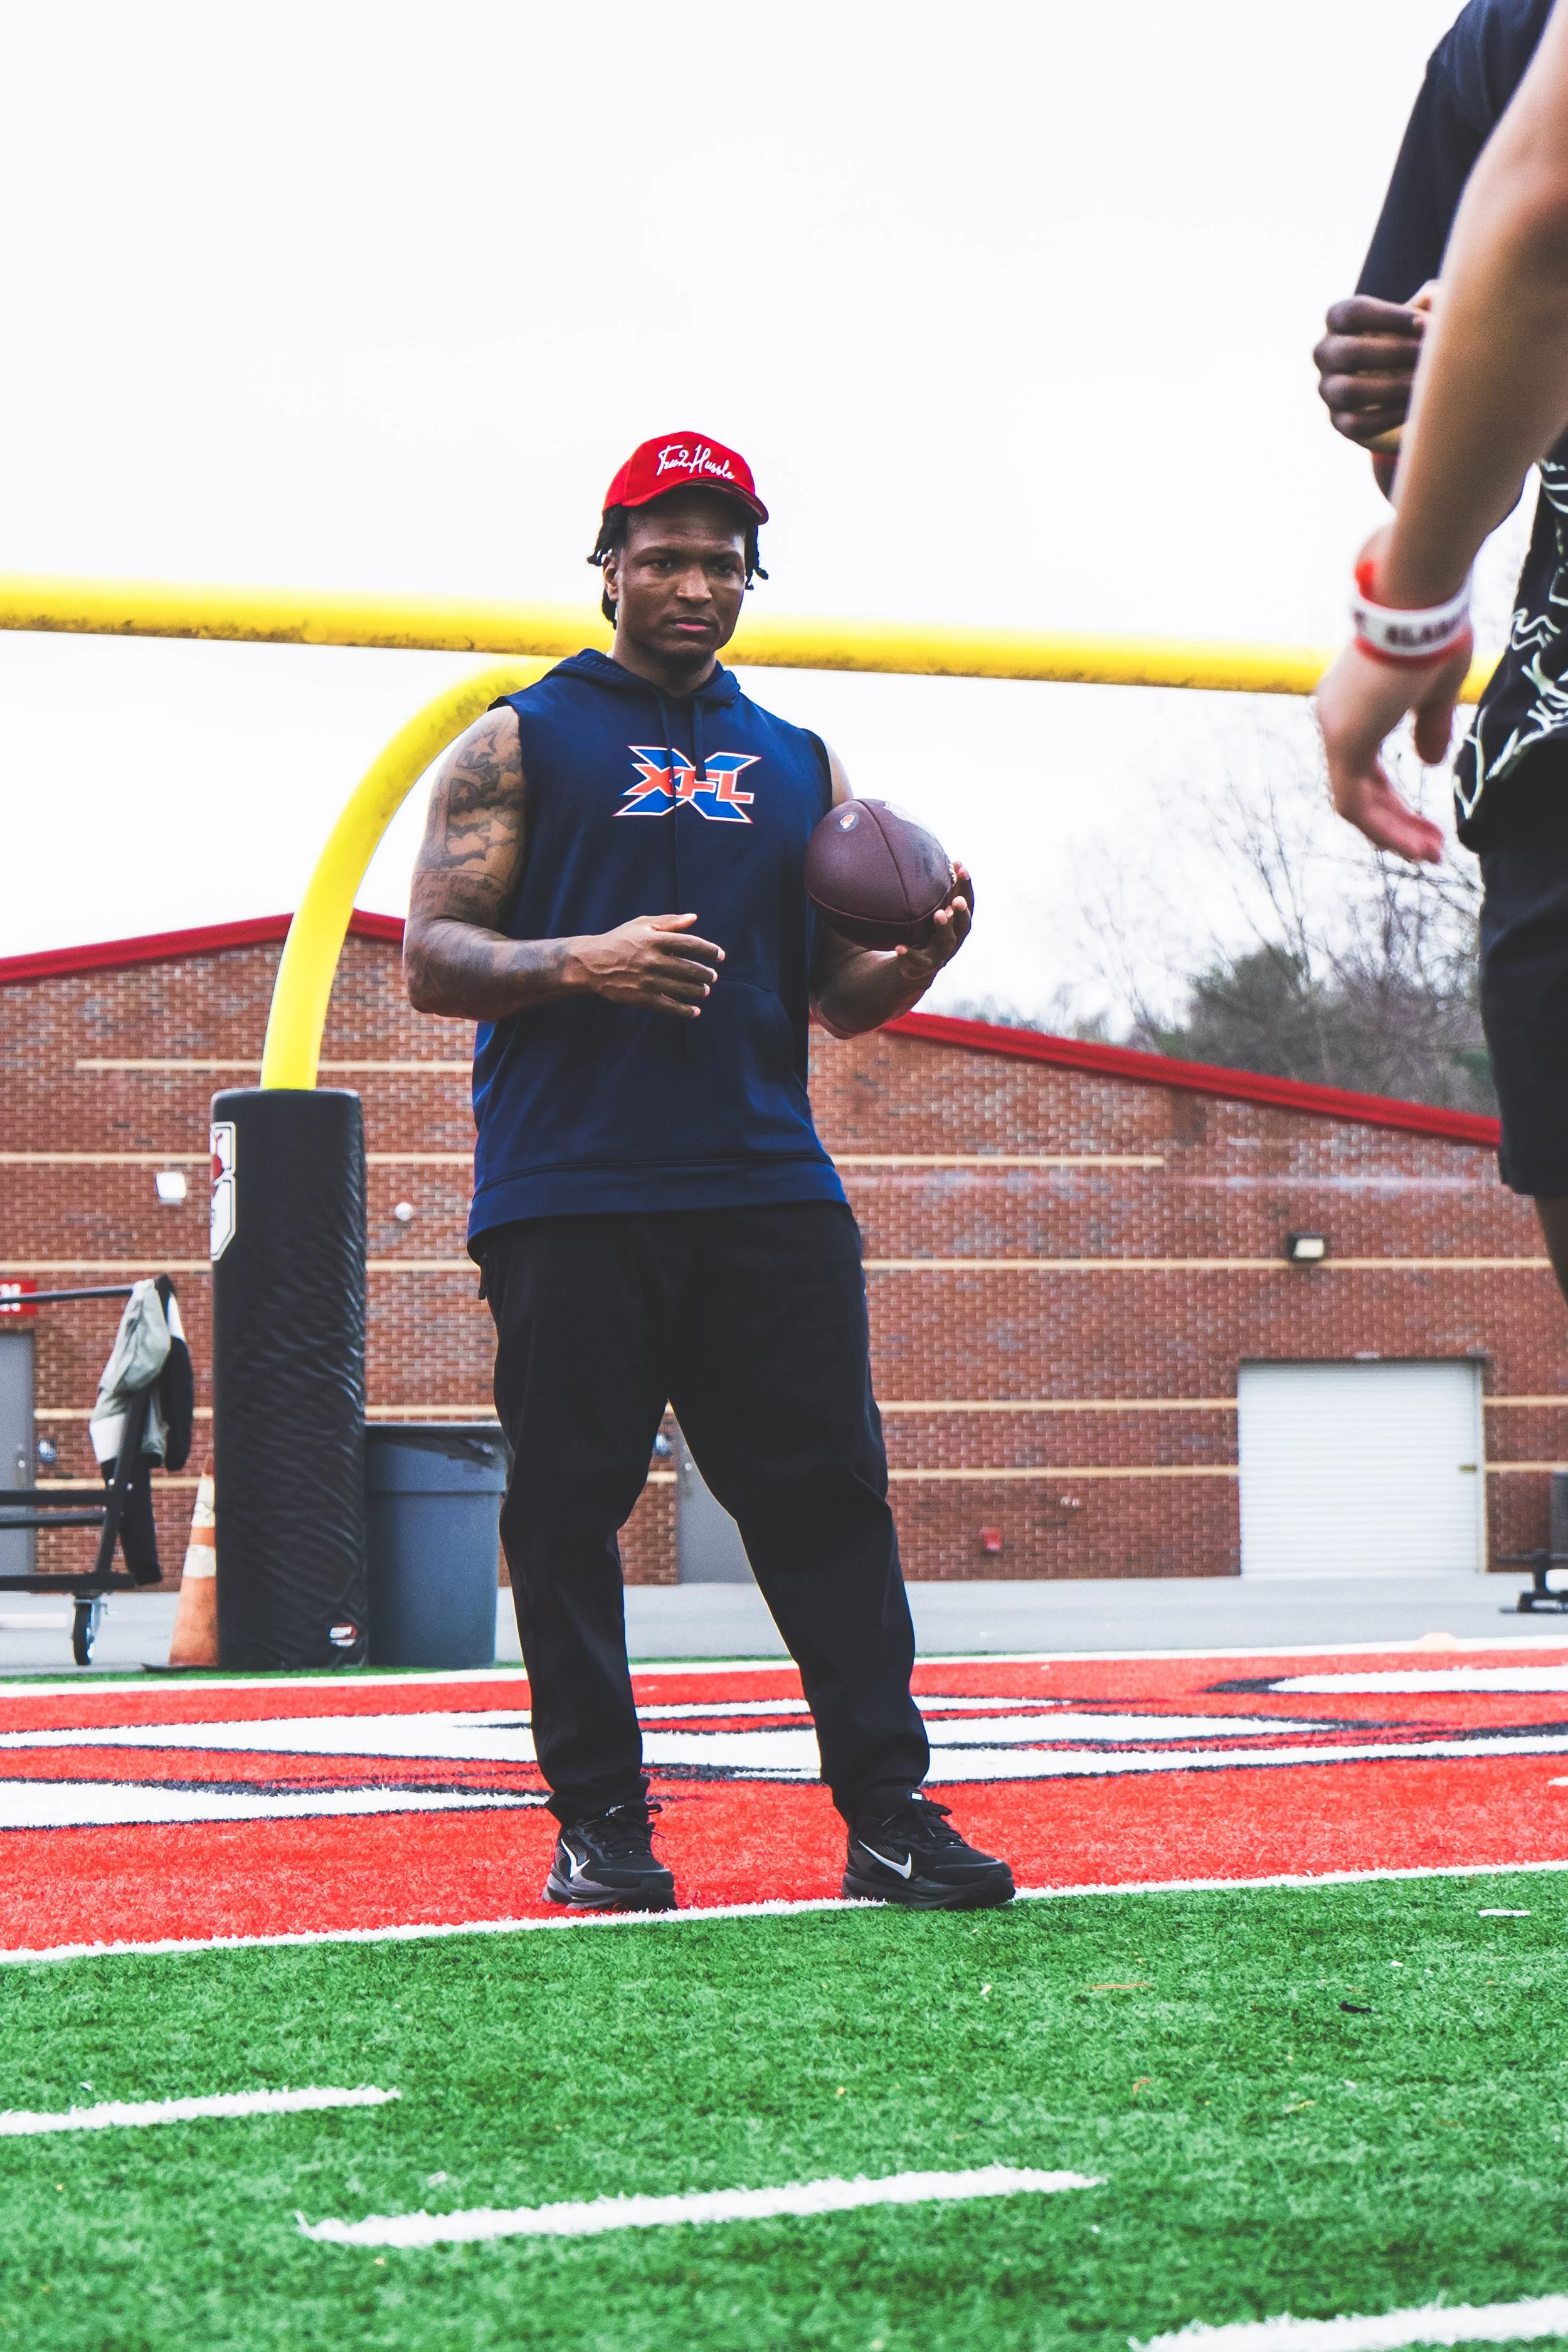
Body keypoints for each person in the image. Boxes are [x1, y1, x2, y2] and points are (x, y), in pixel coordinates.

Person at [404, 431, 1015, 1915]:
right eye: (664, 555)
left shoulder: (797, 761)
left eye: (720, 560)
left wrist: (918, 956)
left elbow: (833, 998)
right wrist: (584, 959)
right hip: (570, 1187)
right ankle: (603, 1823)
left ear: (751, 577)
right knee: (566, 1510)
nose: (693, 582)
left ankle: (886, 1813)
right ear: (606, 565)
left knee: (830, 1504)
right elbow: (431, 957)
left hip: (763, 1184)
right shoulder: (517, 737)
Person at [1313, 0, 1568, 1296]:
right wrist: (1407, 398)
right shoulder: (1495, 42)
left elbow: (1544, 211)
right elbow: (1417, 445)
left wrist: (1406, 606)